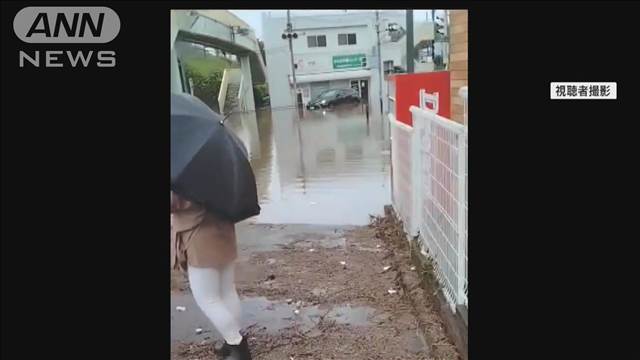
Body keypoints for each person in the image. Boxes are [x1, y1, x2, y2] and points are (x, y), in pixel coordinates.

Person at [171, 191, 252, 360]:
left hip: (200, 235)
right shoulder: (221, 169)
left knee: (208, 298)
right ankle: (231, 341)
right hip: (223, 229)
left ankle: (237, 345)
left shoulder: (183, 173)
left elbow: (175, 202)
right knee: (227, 291)